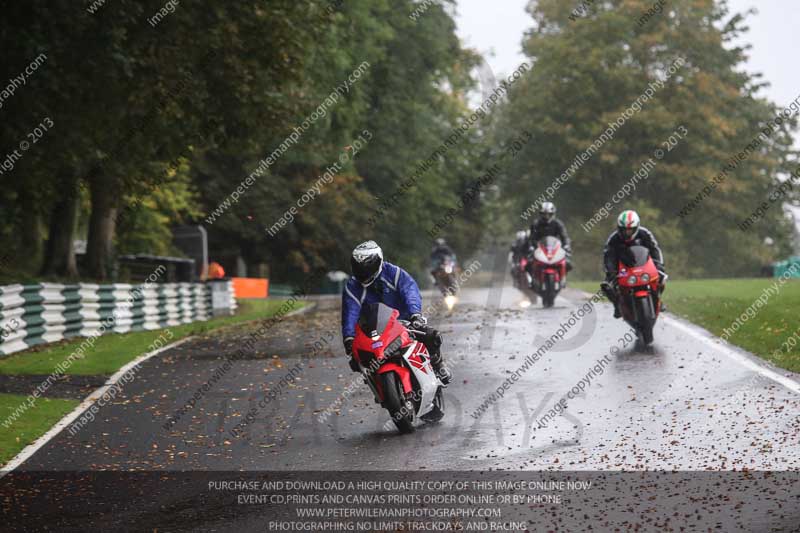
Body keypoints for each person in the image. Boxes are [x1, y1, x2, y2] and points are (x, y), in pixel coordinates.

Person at [341, 241, 452, 385]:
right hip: (373, 329)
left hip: (404, 321)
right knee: (358, 361)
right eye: (359, 267)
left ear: (379, 261)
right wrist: (349, 337)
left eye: (367, 267)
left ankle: (438, 364)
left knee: (431, 336)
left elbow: (410, 291)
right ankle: (377, 385)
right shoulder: (352, 286)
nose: (363, 272)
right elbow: (350, 312)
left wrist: (415, 314)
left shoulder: (395, 273)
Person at [601, 210, 666, 318]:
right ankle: (617, 305)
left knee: (661, 277)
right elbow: (608, 257)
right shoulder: (613, 239)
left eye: (630, 230)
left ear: (636, 227)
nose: (627, 232)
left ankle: (657, 298)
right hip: (621, 268)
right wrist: (611, 272)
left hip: (643, 265)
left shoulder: (645, 233)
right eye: (624, 230)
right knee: (607, 286)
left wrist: (659, 264)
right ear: (619, 228)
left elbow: (655, 249)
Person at [529, 202, 572, 269]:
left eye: (549, 214)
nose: (546, 216)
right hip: (539, 250)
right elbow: (532, 238)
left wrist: (566, 245)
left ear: (553, 214)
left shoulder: (558, 224)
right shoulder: (536, 224)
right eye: (544, 214)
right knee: (529, 264)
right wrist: (532, 246)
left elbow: (564, 236)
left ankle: (562, 277)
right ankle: (533, 278)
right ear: (541, 214)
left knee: (568, 264)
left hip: (555, 249)